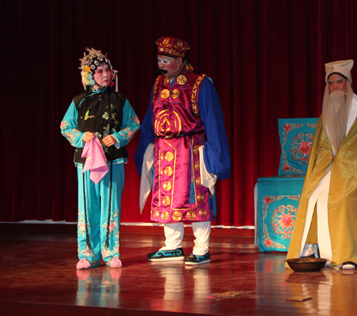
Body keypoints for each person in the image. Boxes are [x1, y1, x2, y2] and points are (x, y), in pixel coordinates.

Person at [135, 37, 231, 266]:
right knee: (167, 197)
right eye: (159, 60)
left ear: (179, 60)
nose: (161, 65)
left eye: (165, 60)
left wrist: (215, 153)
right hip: (163, 149)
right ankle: (172, 245)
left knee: (195, 197)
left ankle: (201, 248)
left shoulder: (200, 83)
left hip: (190, 150)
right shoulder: (158, 83)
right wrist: (146, 145)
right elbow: (150, 116)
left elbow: (213, 120)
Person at [286, 59, 357, 269]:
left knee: (341, 199)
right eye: (330, 83)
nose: (335, 87)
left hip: (356, 172)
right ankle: (310, 248)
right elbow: (320, 148)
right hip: (329, 169)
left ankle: (347, 254)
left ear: (348, 82)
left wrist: (343, 160)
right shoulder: (326, 112)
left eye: (339, 82)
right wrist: (328, 162)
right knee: (311, 196)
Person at [61, 48, 140, 270]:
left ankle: (110, 252)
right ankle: (88, 254)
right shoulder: (79, 101)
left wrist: (117, 137)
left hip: (113, 160)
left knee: (111, 206)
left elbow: (133, 123)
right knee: (87, 207)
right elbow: (65, 126)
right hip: (86, 160)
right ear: (89, 75)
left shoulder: (119, 100)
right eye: (100, 71)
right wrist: (81, 137)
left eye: (107, 70)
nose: (105, 75)